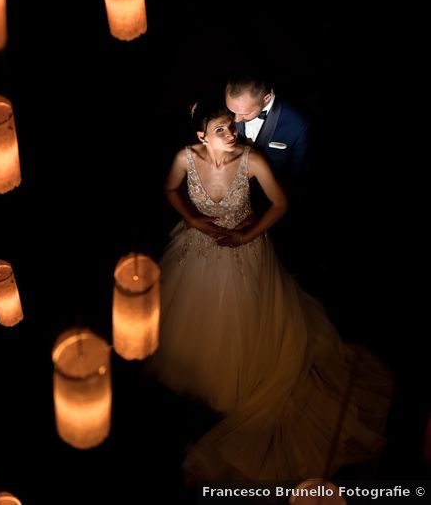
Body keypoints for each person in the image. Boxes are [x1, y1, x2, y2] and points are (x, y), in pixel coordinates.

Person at [149, 99, 392, 482]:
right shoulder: (184, 158)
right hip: (195, 249)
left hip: (244, 250)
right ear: (201, 137)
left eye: (232, 126)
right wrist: (193, 219)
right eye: (221, 130)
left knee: (244, 323)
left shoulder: (251, 160)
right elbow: (169, 189)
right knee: (193, 319)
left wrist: (248, 233)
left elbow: (280, 203)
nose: (231, 134)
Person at [225, 74, 310, 196]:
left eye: (245, 113)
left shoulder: (298, 126)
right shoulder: (231, 105)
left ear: (267, 98)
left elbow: (298, 174)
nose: (237, 119)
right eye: (233, 111)